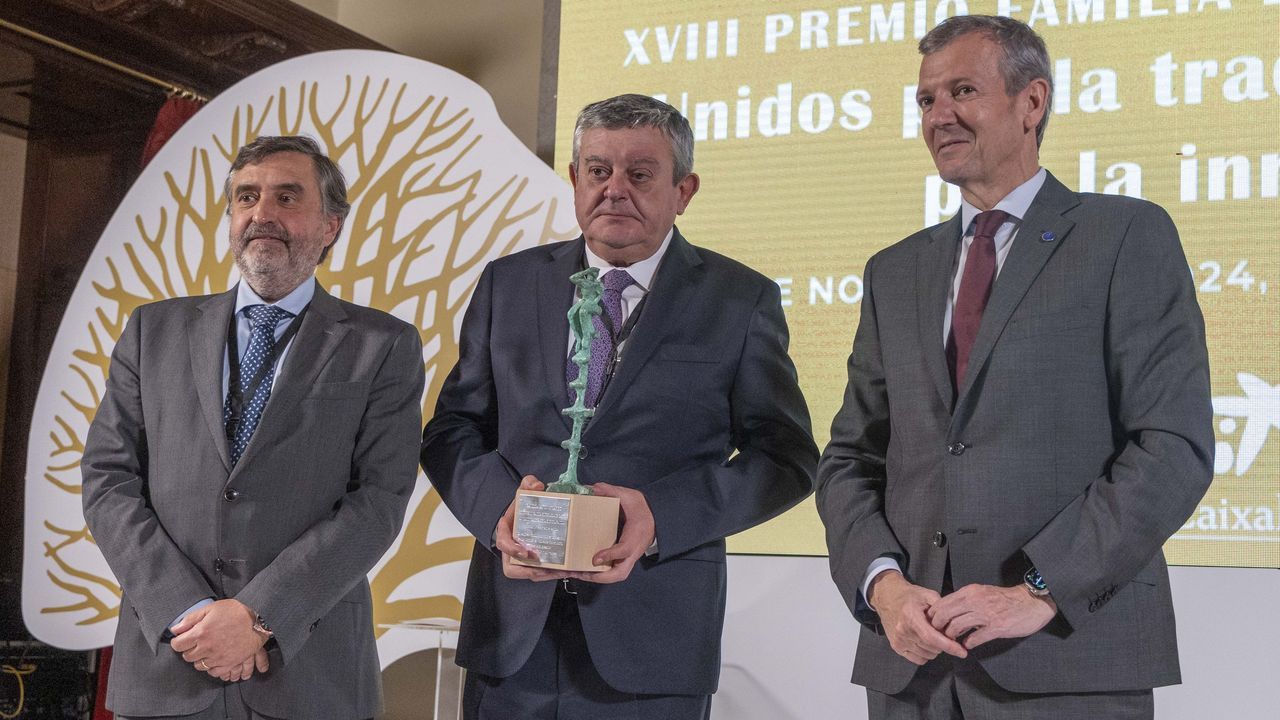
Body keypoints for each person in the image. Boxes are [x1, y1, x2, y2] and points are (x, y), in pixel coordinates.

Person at [816, 15, 1213, 719]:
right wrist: (883, 586)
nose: (939, 116)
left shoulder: (1126, 235)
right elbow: (851, 458)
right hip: (913, 672)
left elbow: (1171, 445)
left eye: (962, 91)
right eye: (925, 100)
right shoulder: (894, 271)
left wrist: (1038, 589)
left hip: (1067, 663)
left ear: (1032, 103)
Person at [421, 93, 818, 719]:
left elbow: (787, 458)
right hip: (512, 642)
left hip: (653, 643)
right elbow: (452, 430)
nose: (614, 189)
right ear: (576, 179)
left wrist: (657, 517)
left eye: (640, 174)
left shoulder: (740, 301)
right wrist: (501, 513)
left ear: (683, 190)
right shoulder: (508, 282)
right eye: (598, 170)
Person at [81, 135, 424, 719]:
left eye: (287, 197)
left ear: (332, 225)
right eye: (246, 197)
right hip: (170, 665)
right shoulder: (150, 332)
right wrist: (185, 610)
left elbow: (379, 502)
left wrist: (259, 616)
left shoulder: (383, 345)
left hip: (309, 673)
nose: (262, 213)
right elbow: (108, 480)